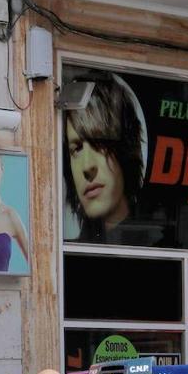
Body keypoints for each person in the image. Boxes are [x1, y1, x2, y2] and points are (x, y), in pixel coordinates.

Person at [63, 71, 145, 244]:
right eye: (76, 149)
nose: (87, 166)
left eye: (98, 142)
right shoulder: (69, 250)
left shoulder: (147, 240)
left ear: (126, 148)